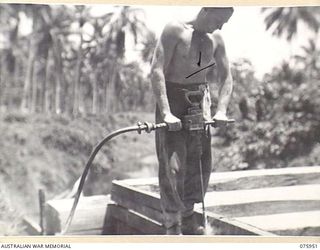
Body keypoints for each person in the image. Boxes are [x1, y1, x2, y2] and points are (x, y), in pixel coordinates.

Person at [150, 7, 234, 235]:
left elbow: (227, 76)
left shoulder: (216, 39)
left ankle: (188, 218)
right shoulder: (174, 30)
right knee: (173, 166)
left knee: (200, 163)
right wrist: (166, 112)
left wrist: (221, 110)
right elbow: (156, 71)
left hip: (199, 101)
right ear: (206, 11)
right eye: (219, 20)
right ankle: (172, 226)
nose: (220, 27)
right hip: (173, 99)